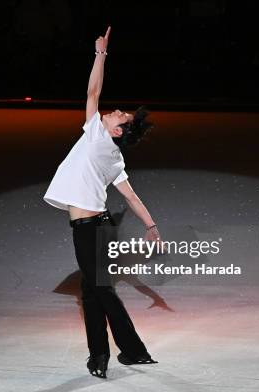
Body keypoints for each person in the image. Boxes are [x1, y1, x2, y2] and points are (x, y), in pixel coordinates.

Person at [43, 26, 161, 378]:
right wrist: (152, 226)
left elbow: (93, 89)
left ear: (116, 131)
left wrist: (100, 54)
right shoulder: (115, 158)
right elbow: (132, 196)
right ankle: (100, 357)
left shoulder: (96, 134)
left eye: (120, 116)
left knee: (99, 290)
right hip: (101, 227)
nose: (115, 111)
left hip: (89, 228)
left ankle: (133, 350)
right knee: (91, 291)